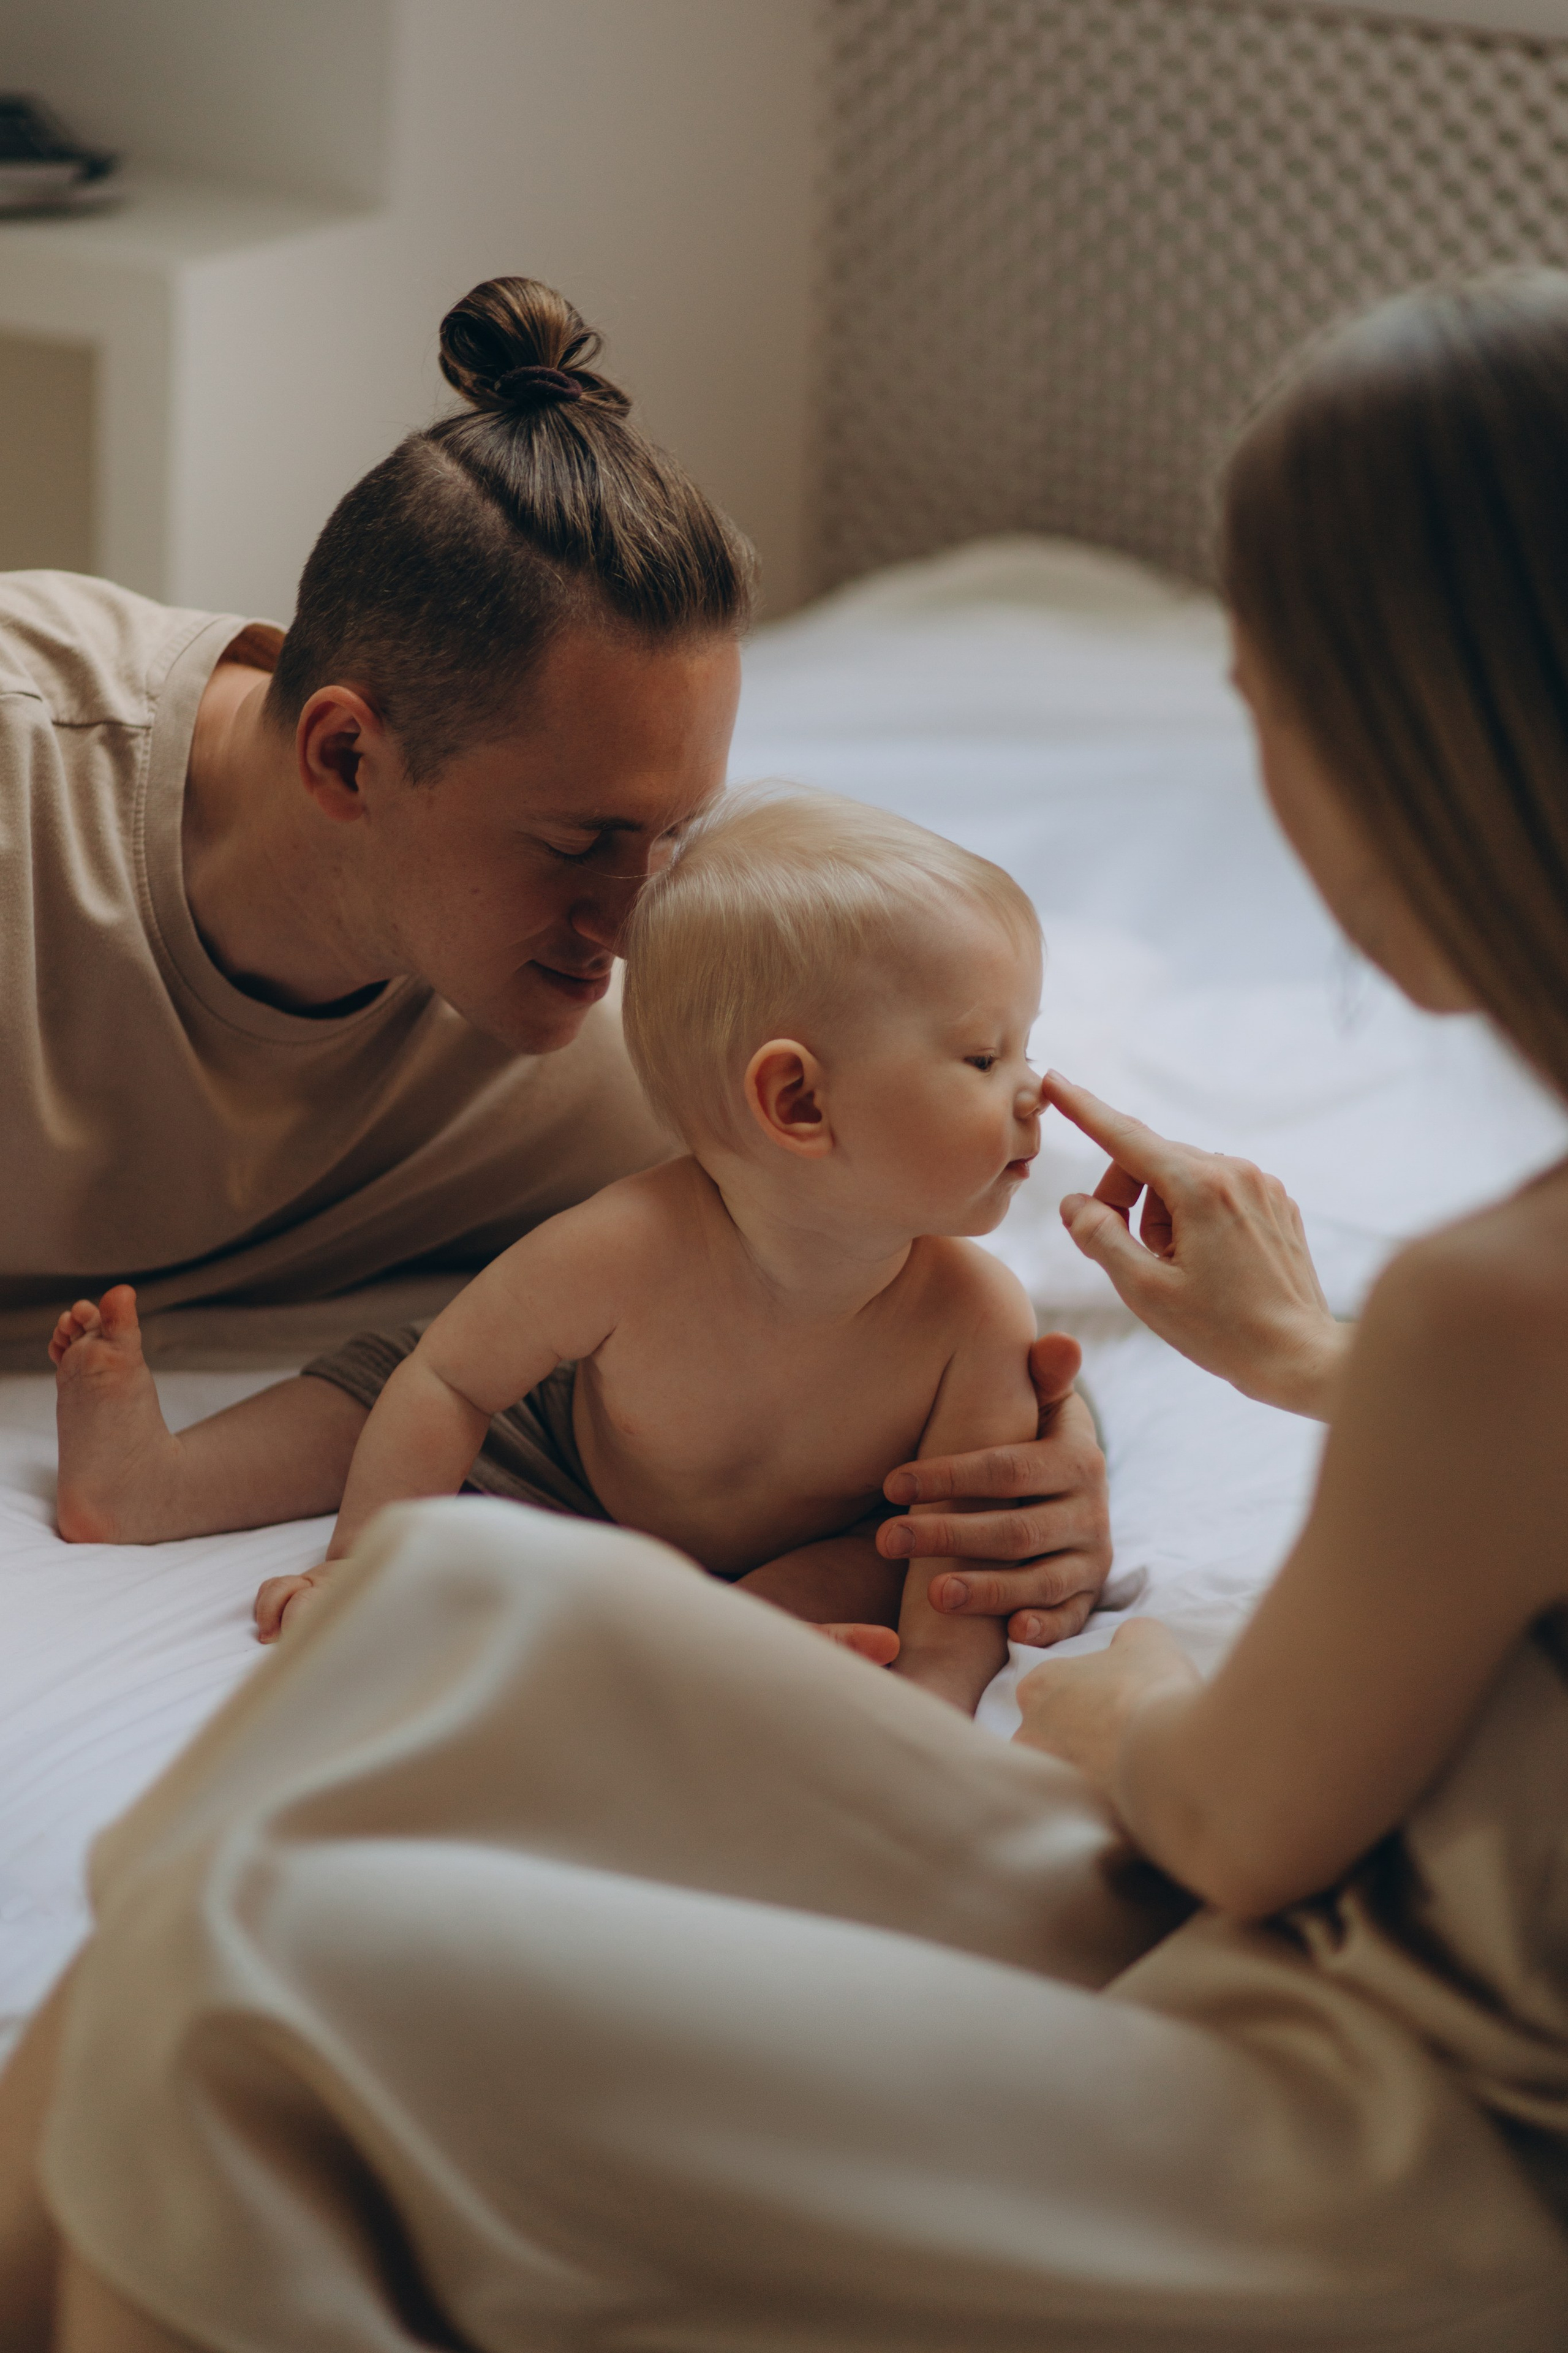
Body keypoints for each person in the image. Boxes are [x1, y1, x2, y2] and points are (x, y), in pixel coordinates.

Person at [22, 271, 1568, 2352]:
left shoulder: (1493, 1314)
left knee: (252, 1959)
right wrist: (1305, 1362)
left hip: (1379, 2066)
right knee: (447, 1608)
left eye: (1263, 703)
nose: (636, 920)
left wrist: (1119, 1680)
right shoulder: (1471, 1321)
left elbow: (1228, 1791)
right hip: (1330, 1919)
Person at [9, 266, 1117, 1645]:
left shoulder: (620, 1046)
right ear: (347, 754)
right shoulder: (29, 816)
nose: (637, 917)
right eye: (580, 839)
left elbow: (884, 1215)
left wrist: (1041, 1467)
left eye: (674, 832)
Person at [52, 794, 1055, 1712]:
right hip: (562, 1461)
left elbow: (963, 1556)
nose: (1034, 1091)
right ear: (798, 1102)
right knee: (391, 1384)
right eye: (983, 1056)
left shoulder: (976, 1319)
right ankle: (158, 1482)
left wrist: (937, 1688)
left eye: (1028, 1045)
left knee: (888, 1553)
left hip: (811, 1538)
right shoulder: (623, 1247)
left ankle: (733, 1649)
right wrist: (366, 1560)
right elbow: (449, 1379)